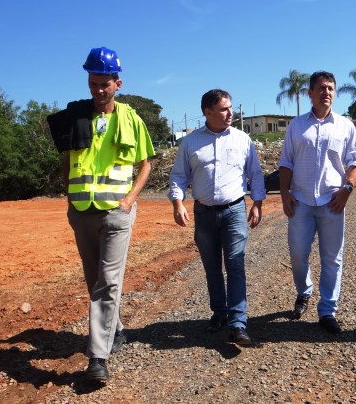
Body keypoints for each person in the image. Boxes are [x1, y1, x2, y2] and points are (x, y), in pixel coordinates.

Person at [47, 47, 155, 380]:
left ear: (117, 83)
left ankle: (98, 357)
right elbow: (66, 163)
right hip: (81, 211)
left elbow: (146, 163)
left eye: (104, 84)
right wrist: (69, 198)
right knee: (94, 280)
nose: (98, 90)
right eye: (93, 83)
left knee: (108, 282)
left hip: (116, 213)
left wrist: (129, 201)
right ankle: (115, 328)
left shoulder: (130, 118)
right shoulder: (76, 117)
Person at [168, 89, 266, 346]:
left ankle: (238, 322)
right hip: (204, 214)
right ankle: (219, 313)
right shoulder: (190, 143)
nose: (230, 113)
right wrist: (178, 204)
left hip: (234, 210)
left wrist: (257, 203)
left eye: (230, 107)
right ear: (207, 112)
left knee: (235, 264)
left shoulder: (242, 139)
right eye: (224, 109)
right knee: (212, 267)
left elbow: (255, 174)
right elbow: (179, 176)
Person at [279, 71, 356, 334]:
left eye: (330, 88)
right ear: (310, 94)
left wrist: (347, 189)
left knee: (332, 258)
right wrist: (284, 194)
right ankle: (304, 291)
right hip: (301, 201)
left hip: (332, 202)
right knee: (298, 253)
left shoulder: (345, 126)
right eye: (321, 88)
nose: (327, 92)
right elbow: (286, 162)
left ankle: (327, 310)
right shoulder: (296, 126)